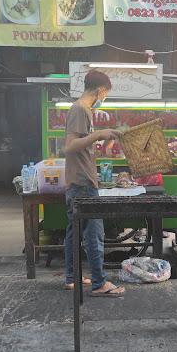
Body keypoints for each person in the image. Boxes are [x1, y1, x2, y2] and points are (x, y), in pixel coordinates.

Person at [64, 70, 125, 297]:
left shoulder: (83, 110)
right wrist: (99, 135)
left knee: (74, 231)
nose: (104, 97)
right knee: (94, 232)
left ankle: (72, 277)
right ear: (100, 90)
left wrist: (102, 139)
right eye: (106, 93)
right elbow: (70, 146)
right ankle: (100, 283)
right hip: (82, 183)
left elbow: (80, 145)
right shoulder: (80, 109)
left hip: (77, 180)